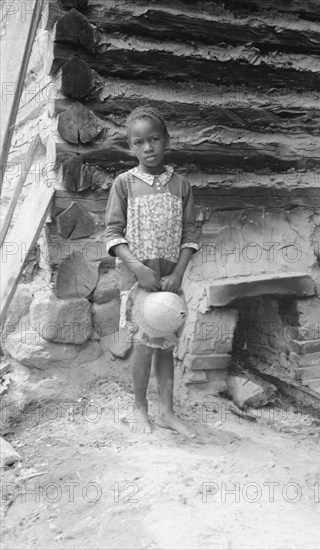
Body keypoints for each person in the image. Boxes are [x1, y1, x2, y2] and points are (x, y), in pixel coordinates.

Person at [105, 106, 199, 436]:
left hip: (170, 282)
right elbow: (113, 234)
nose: (148, 147)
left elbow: (190, 235)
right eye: (139, 142)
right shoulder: (124, 184)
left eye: (154, 139)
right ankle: (140, 409)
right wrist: (138, 268)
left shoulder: (181, 185)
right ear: (131, 147)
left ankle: (167, 412)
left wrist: (179, 274)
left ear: (166, 141)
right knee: (144, 346)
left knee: (166, 346)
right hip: (139, 282)